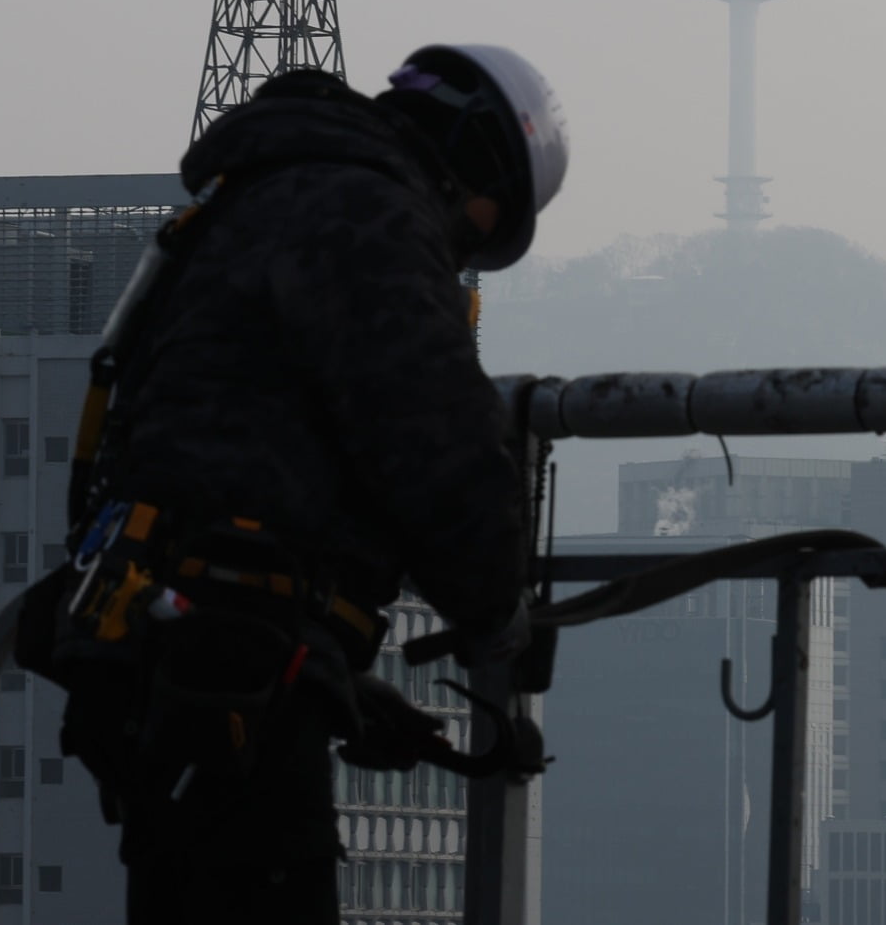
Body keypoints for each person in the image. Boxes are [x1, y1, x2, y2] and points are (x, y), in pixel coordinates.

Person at [50, 45, 568, 925]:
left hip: (182, 660)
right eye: (482, 226)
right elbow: (434, 436)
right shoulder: (366, 213)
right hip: (227, 678)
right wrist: (496, 611)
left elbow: (232, 447)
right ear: (474, 159)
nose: (465, 248)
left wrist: (333, 671)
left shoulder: (253, 199)